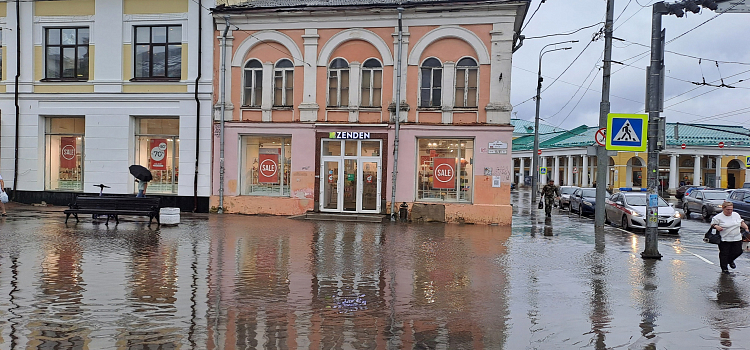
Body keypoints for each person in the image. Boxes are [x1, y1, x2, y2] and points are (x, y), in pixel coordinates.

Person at [711, 201, 749, 274]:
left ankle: (730, 260)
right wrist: (717, 227)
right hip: (724, 238)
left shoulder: (736, 215)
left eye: (731, 209)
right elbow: (712, 224)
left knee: (738, 251)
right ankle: (724, 269)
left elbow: (741, 222)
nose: (730, 211)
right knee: (724, 254)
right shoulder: (718, 217)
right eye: (728, 209)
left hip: (736, 237)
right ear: (723, 209)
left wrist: (746, 228)